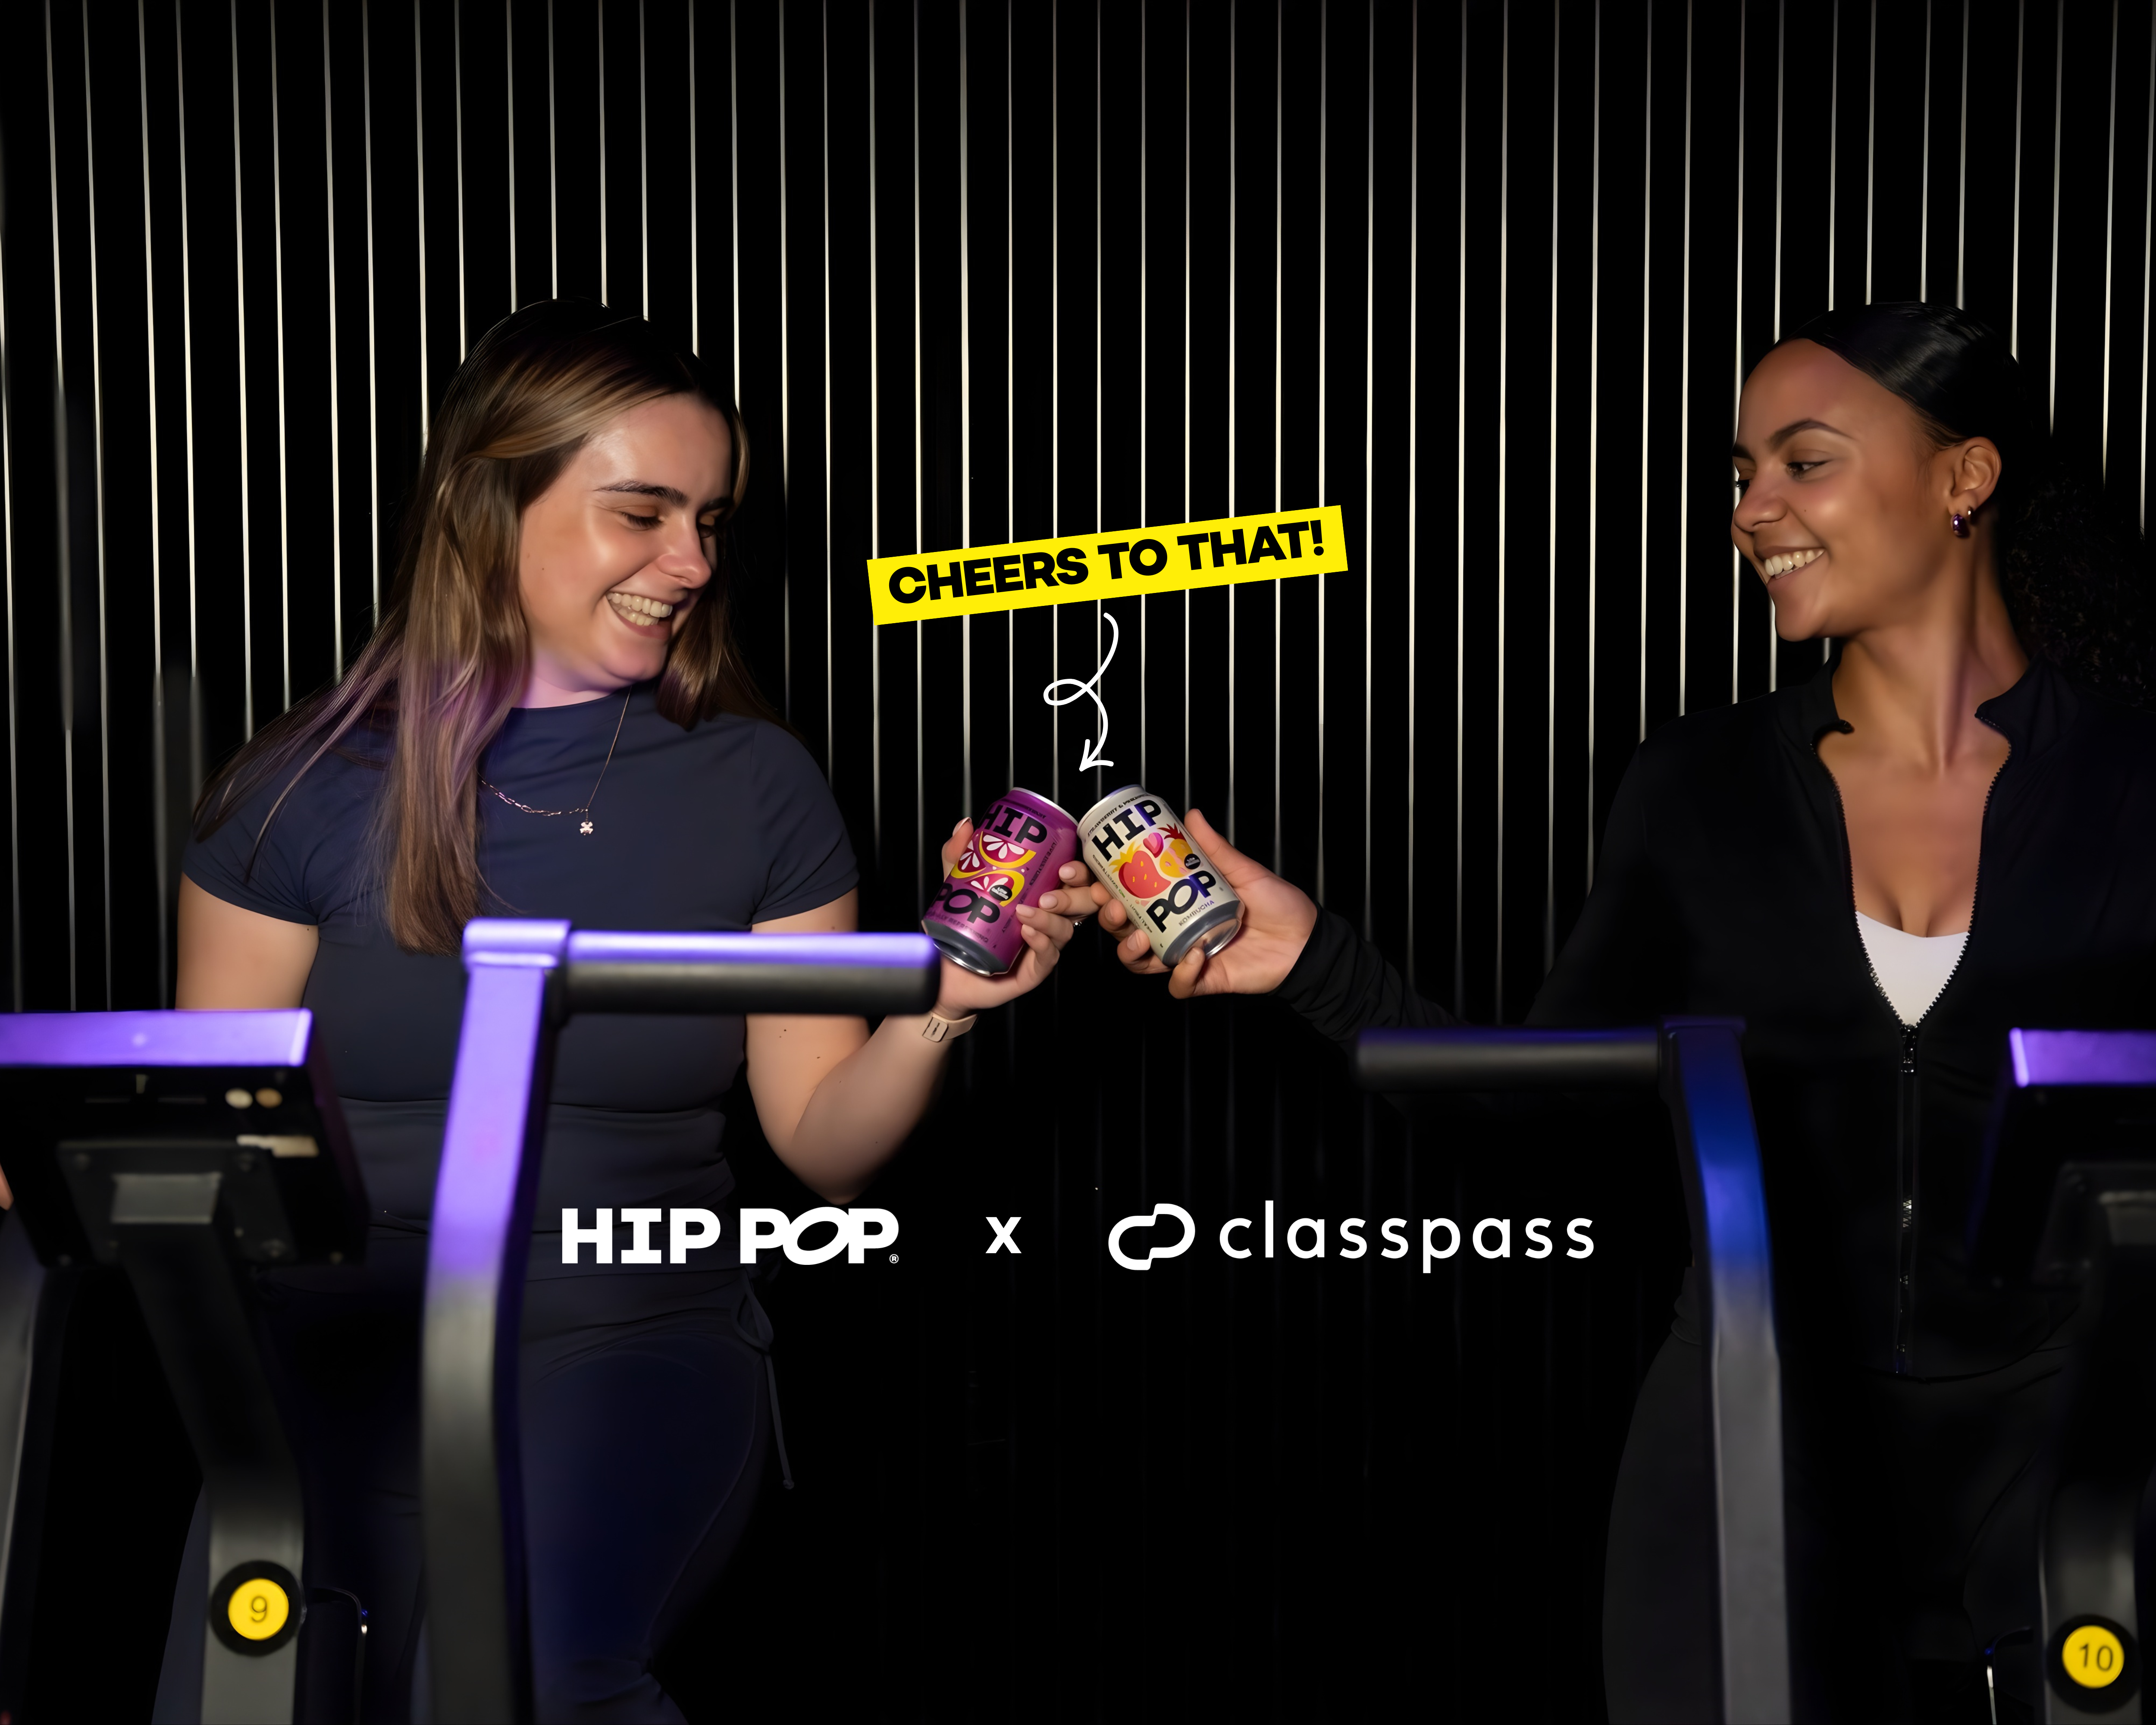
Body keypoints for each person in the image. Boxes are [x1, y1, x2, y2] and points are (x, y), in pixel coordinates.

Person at [1067, 303, 2156, 1722]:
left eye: (1805, 462)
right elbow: (1539, 1120)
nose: (1752, 510)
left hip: (2074, 1452)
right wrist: (1316, 963)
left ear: (1966, 476)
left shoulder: (2136, 781)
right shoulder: (1697, 786)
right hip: (1751, 1451)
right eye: (1743, 472)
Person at [168, 299, 1094, 1724]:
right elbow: (205, 1129)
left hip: (625, 1328)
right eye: (643, 514)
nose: (695, 564)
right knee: (254, 1694)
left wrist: (940, 1010)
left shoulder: (759, 785)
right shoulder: (298, 784)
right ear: (494, 506)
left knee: (517, 1685)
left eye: (709, 521)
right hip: (347, 1340)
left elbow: (825, 1145)